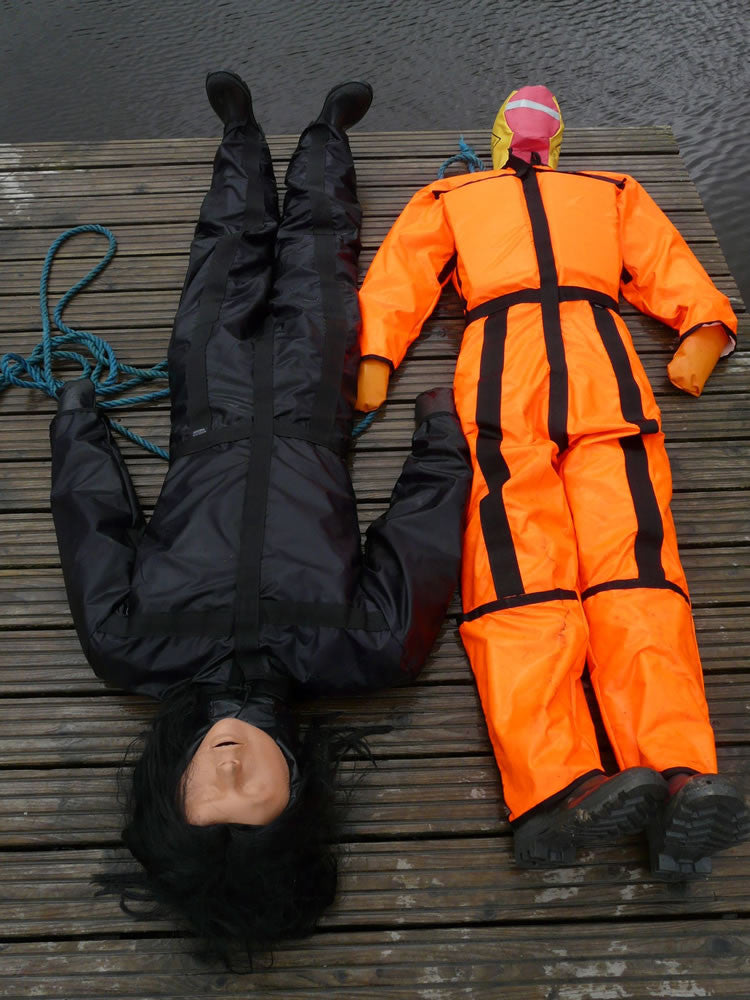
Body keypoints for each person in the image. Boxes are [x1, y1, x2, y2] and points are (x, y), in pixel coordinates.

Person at [49, 71, 472, 963]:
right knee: (319, 258)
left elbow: (93, 518)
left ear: (174, 793)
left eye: (212, 796)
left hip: (206, 402)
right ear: (299, 802)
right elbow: (423, 536)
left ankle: (239, 136)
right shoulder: (364, 651)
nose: (233, 769)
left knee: (227, 254)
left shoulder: (130, 647)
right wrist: (440, 434)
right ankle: (326, 134)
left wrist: (77, 420)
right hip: (314, 403)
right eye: (256, 801)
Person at [354, 85, 749, 878]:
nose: (531, 137)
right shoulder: (453, 195)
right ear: (510, 140)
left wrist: (703, 326)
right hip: (512, 377)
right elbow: (403, 275)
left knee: (632, 567)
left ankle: (678, 777)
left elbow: (665, 260)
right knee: (523, 574)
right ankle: (556, 788)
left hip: (594, 373)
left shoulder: (611, 193)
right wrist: (374, 355)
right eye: (526, 128)